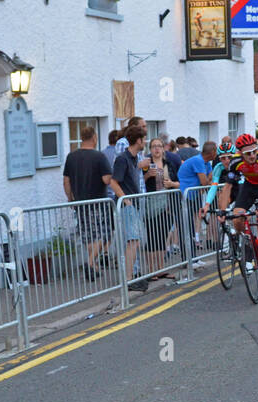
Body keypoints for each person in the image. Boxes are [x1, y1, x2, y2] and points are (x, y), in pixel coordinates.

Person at [220, 133, 258, 288]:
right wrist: (222, 211)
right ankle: (246, 246)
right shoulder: (235, 162)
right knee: (236, 217)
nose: (252, 155)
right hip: (248, 188)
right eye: (248, 153)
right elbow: (227, 187)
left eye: (254, 151)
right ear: (241, 153)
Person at [61, 125, 116, 280]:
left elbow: (66, 181)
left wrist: (70, 198)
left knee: (87, 235)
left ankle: (93, 266)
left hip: (80, 203)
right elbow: (106, 179)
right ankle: (90, 262)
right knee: (103, 234)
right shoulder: (99, 156)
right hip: (98, 201)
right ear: (94, 137)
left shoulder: (71, 157)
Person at [109, 123, 146, 292]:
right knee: (132, 241)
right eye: (144, 139)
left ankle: (131, 277)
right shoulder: (122, 159)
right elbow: (113, 182)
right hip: (128, 205)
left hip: (133, 204)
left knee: (135, 241)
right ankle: (128, 279)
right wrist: (126, 201)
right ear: (138, 140)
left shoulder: (133, 158)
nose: (145, 141)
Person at [142, 136, 181, 279]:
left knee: (162, 237)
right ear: (150, 149)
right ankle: (152, 270)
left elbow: (179, 181)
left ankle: (161, 268)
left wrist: (172, 184)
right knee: (152, 237)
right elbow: (139, 182)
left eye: (159, 145)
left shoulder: (168, 163)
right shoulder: (146, 163)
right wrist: (146, 175)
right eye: (153, 146)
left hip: (167, 205)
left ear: (163, 148)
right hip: (150, 205)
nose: (157, 148)